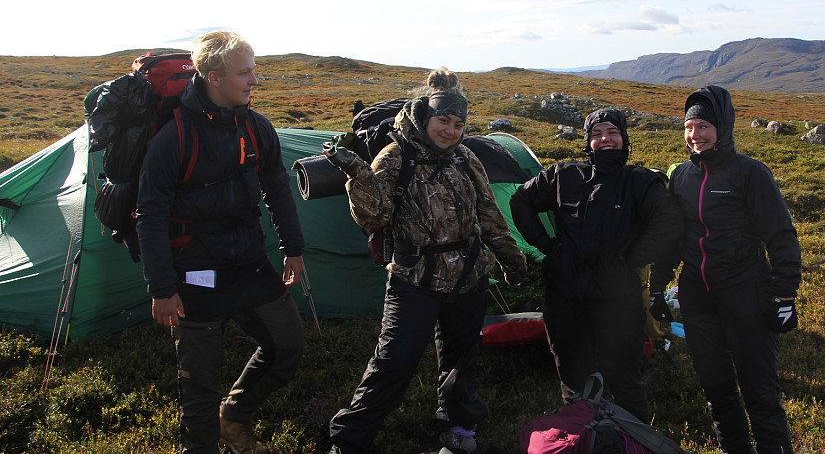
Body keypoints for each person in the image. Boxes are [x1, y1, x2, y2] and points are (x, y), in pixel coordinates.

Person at [325, 68, 528, 454]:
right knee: (393, 363)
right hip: (413, 279)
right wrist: (356, 173)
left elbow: (489, 214)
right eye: (443, 121)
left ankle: (457, 427)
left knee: (459, 360)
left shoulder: (466, 157)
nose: (450, 131)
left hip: (469, 276)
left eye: (458, 124)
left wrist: (510, 257)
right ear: (424, 116)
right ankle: (349, 441)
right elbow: (376, 216)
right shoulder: (395, 156)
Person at [135, 31, 306, 454]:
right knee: (199, 387)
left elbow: (277, 188)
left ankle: (233, 419)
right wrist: (162, 289)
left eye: (255, 71)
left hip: (247, 262)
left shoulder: (256, 125)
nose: (255, 81)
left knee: (286, 347)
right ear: (213, 76)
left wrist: (293, 247)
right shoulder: (172, 138)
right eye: (245, 73)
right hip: (193, 271)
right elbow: (150, 216)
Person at [509, 108, 683, 424]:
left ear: (623, 139)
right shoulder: (564, 175)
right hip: (565, 295)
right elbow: (520, 202)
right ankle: (581, 436)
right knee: (574, 381)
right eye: (597, 134)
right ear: (588, 141)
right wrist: (548, 246)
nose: (605, 139)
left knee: (625, 379)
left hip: (617, 299)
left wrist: (632, 259)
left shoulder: (638, 181)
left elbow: (670, 221)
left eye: (612, 133)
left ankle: (634, 440)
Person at [661, 85, 801, 454]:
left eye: (703, 126)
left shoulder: (750, 173)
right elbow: (675, 239)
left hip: (747, 294)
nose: (695, 135)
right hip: (698, 298)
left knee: (761, 396)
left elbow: (781, 236)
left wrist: (784, 295)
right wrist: (659, 285)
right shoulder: (682, 178)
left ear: (722, 126)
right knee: (718, 394)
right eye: (689, 127)